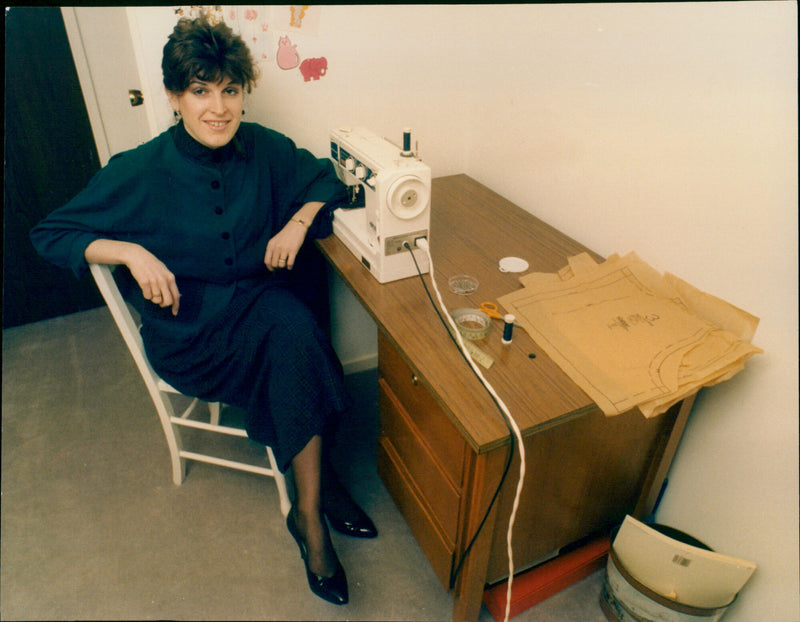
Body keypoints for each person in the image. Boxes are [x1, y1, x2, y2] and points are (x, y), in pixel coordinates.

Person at [30, 15, 376, 606]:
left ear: (242, 93)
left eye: (229, 90)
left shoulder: (262, 148)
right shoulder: (140, 169)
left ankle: (313, 500)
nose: (217, 108)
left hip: (260, 315)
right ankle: (314, 517)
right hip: (191, 336)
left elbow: (325, 178)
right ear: (173, 96)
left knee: (296, 316)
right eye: (199, 91)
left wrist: (295, 223)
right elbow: (50, 231)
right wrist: (130, 251)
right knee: (295, 330)